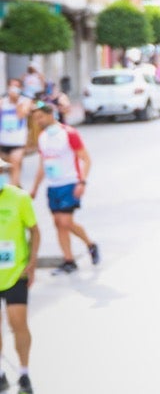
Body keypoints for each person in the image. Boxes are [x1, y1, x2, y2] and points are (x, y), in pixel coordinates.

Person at [28, 103, 98, 274]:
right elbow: (43, 165)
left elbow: (86, 159)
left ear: (50, 114)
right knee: (58, 223)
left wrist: (82, 182)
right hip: (53, 185)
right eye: (35, 119)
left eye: (40, 117)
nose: (38, 121)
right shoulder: (43, 137)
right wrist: (35, 187)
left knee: (65, 221)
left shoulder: (69, 134)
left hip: (69, 183)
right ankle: (68, 260)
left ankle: (90, 244)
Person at [0, 172, 40, 394]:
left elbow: (34, 230)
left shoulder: (19, 198)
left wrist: (32, 262)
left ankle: (24, 375)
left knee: (18, 323)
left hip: (16, 273)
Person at [1, 80, 33, 185]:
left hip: (18, 141)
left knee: (14, 165)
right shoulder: (2, 101)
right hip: (4, 141)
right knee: (5, 168)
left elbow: (21, 115)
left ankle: (13, 189)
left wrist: (16, 102)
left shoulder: (25, 101)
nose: (13, 88)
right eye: (11, 86)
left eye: (16, 86)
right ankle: (17, 187)